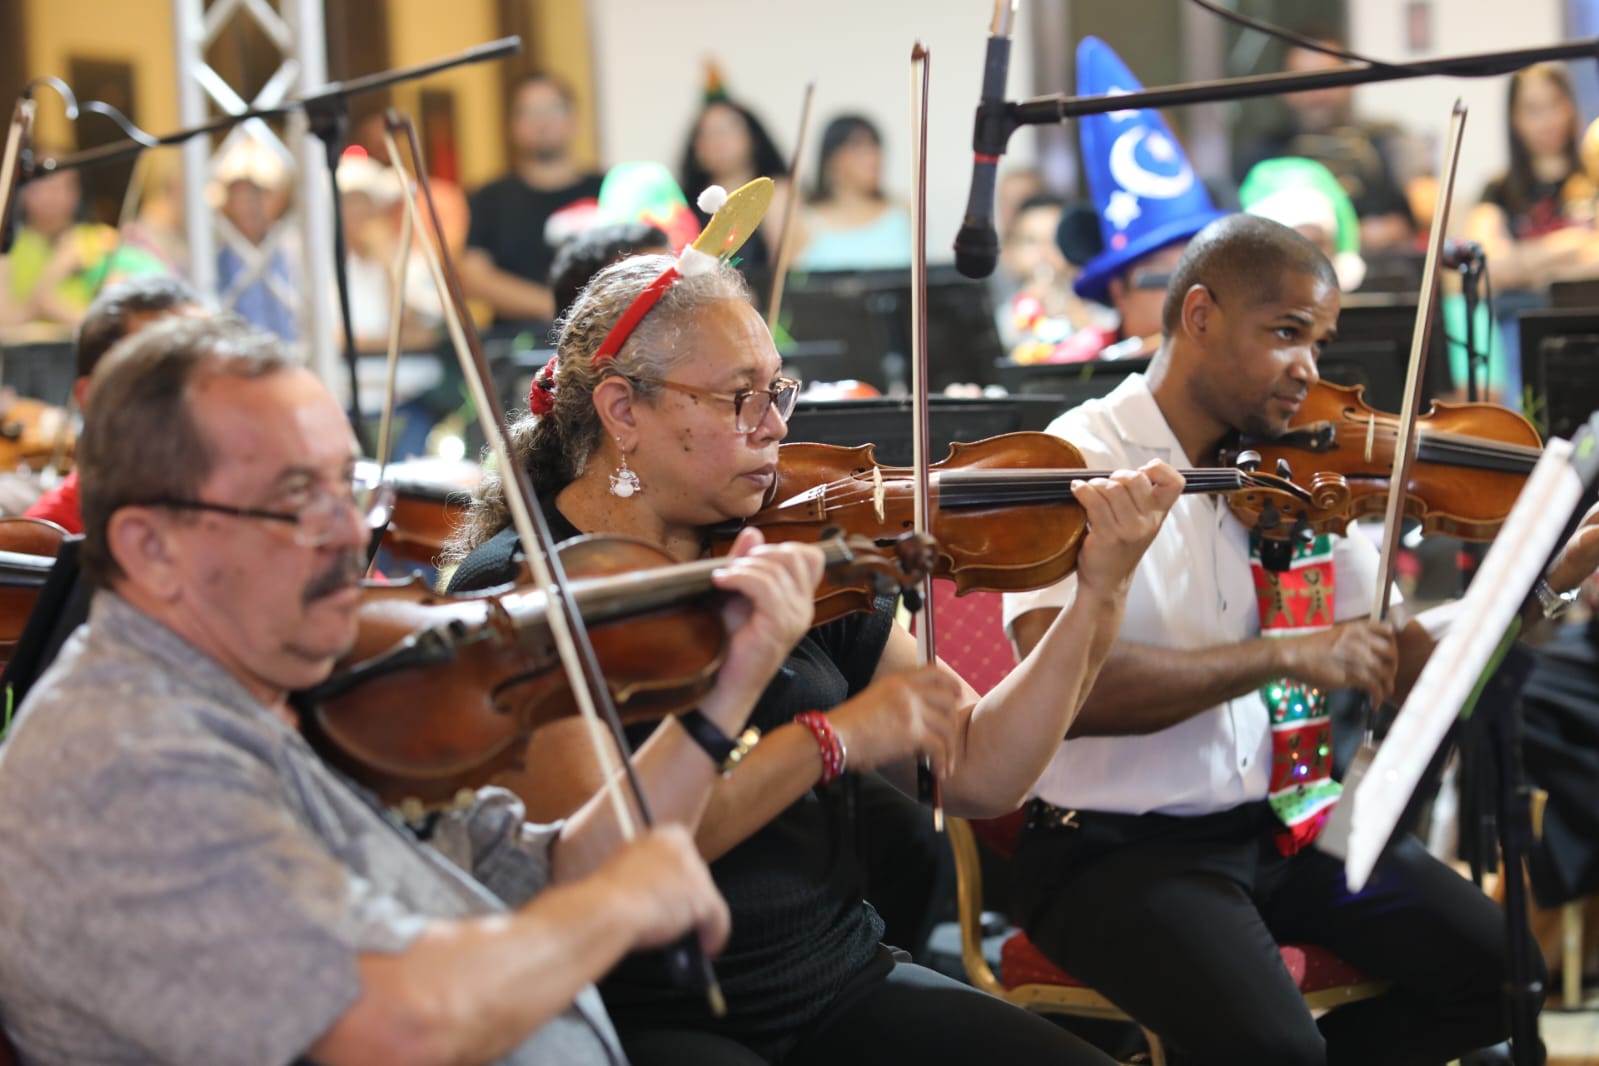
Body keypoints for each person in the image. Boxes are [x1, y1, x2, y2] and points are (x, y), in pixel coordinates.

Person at [0, 314, 831, 1064]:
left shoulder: (287, 694)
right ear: (151, 548)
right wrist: (617, 907)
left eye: (347, 487)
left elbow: (555, 869)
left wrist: (730, 692)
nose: (347, 534)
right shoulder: (122, 761)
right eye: (296, 497)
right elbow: (390, 1028)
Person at [444, 248, 1183, 1066]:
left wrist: (1098, 596)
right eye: (738, 399)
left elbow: (976, 770)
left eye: (776, 390)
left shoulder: (794, 539)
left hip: (837, 981)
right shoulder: (517, 586)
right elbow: (603, 866)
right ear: (622, 409)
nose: (775, 426)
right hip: (651, 1019)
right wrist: (829, 741)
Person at [1001, 213, 1599, 1065]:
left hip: (1286, 828)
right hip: (1113, 849)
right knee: (1278, 1052)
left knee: (1504, 974)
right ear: (1199, 314)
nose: (1307, 370)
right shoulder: (1076, 460)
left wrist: (1545, 578)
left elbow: (1402, 661)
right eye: (1285, 334)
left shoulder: (1296, 471)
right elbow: (1072, 697)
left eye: (1317, 341)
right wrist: (1283, 654)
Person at [1050, 37, 1224, 364]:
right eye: (1161, 278)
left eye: (1199, 273)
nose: (1188, 295)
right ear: (1119, 292)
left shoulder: (1239, 364)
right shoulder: (1077, 364)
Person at [24, 275, 203, 534]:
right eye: (162, 375)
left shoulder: (251, 498)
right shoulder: (45, 540)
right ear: (92, 396)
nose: (196, 392)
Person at [1236, 34, 1422, 253]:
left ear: (1349, 80)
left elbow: (1423, 210)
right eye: (1301, 81)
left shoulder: (1386, 141)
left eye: (1326, 79)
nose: (1315, 94)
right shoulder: (1264, 153)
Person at [462, 72, 605, 337]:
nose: (542, 122)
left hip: (599, 340)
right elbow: (473, 277)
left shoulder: (608, 188)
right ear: (513, 126)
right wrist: (554, 306)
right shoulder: (489, 197)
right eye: (529, 112)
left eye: (552, 109)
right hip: (516, 342)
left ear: (573, 119)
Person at [679, 96, 790, 272]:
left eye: (726, 130)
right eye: (706, 134)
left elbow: (788, 262)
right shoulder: (683, 206)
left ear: (752, 137)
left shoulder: (776, 194)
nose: (717, 142)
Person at [794, 115, 911, 272]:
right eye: (858, 147)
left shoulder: (902, 211)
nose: (873, 157)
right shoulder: (804, 222)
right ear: (831, 159)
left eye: (875, 146)